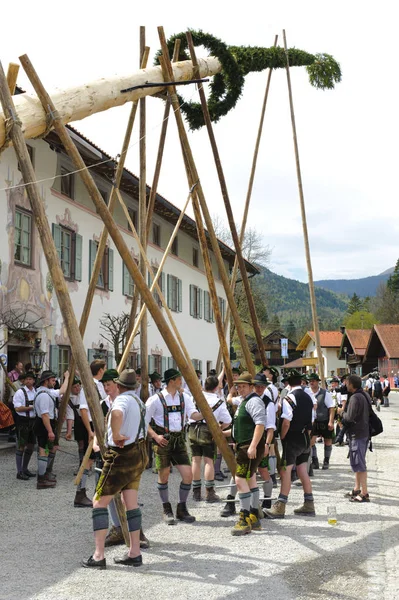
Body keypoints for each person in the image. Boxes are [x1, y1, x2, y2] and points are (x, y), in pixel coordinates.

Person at [82, 369, 148, 569]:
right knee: (130, 503)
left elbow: (117, 413)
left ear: (119, 386)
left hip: (121, 455)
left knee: (98, 503)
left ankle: (98, 555)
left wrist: (117, 433)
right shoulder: (139, 401)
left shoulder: (121, 401)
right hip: (139, 453)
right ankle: (134, 552)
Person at [145, 368, 203, 525]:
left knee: (188, 475)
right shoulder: (154, 400)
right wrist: (155, 436)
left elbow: (193, 415)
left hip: (179, 441)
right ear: (171, 381)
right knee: (164, 476)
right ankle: (166, 508)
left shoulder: (185, 397)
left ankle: (181, 508)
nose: (181, 382)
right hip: (162, 441)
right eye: (179, 379)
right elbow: (144, 422)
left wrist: (206, 412)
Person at [264, 369, 315, 519]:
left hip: (292, 439)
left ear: (287, 383)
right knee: (302, 470)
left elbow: (286, 422)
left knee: (285, 471)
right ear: (301, 381)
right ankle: (309, 503)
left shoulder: (289, 398)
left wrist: (283, 437)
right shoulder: (308, 397)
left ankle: (280, 506)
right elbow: (312, 420)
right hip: (305, 437)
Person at [223, 372, 265, 535]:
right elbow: (239, 425)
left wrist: (253, 446)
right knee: (251, 478)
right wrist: (224, 433)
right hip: (245, 444)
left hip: (248, 446)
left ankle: (244, 518)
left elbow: (260, 424)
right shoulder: (244, 401)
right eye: (238, 386)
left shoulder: (254, 401)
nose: (240, 389)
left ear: (251, 387)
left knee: (240, 478)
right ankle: (254, 516)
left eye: (243, 386)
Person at [189, 375, 232, 503]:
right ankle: (209, 493)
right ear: (216, 387)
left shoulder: (194, 397)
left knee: (195, 461)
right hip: (208, 430)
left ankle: (196, 492)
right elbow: (228, 421)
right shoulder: (218, 401)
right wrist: (219, 428)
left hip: (192, 429)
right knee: (208, 461)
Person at [34, 370, 69, 489]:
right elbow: (44, 415)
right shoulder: (43, 395)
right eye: (52, 380)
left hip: (47, 423)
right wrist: (49, 430)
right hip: (44, 424)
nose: (54, 383)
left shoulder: (46, 392)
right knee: (43, 450)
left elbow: (62, 390)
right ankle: (41, 479)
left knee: (50, 448)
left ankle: (45, 475)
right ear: (46, 381)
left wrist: (67, 377)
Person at [343, 374, 371, 503]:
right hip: (364, 432)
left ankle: (364, 493)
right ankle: (357, 488)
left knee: (360, 463)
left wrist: (340, 412)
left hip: (357, 434)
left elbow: (349, 417)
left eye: (347, 383)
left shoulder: (355, 398)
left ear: (351, 384)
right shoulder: (364, 395)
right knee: (357, 461)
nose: (345, 385)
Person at [253, 373, 277, 511]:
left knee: (262, 470)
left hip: (262, 440)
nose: (260, 388)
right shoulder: (248, 399)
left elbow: (270, 427)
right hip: (247, 440)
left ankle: (267, 498)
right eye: (257, 386)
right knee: (241, 471)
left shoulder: (268, 403)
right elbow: (232, 400)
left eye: (262, 386)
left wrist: (267, 444)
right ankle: (231, 502)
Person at [308, 373, 335, 470]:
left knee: (327, 440)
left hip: (324, 420)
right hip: (312, 421)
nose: (311, 382)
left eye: (313, 381)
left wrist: (331, 422)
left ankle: (326, 461)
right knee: (311, 442)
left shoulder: (325, 393)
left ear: (318, 382)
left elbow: (331, 408)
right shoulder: (307, 393)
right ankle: (314, 460)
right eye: (310, 381)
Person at [12, 372, 37, 480]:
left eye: (30, 379)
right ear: (24, 381)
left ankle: (25, 468)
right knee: (21, 445)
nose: (28, 381)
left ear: (34, 381)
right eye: (27, 379)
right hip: (23, 421)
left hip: (33, 421)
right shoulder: (20, 392)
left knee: (31, 446)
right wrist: (31, 407)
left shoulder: (35, 392)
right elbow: (17, 408)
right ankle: (19, 472)